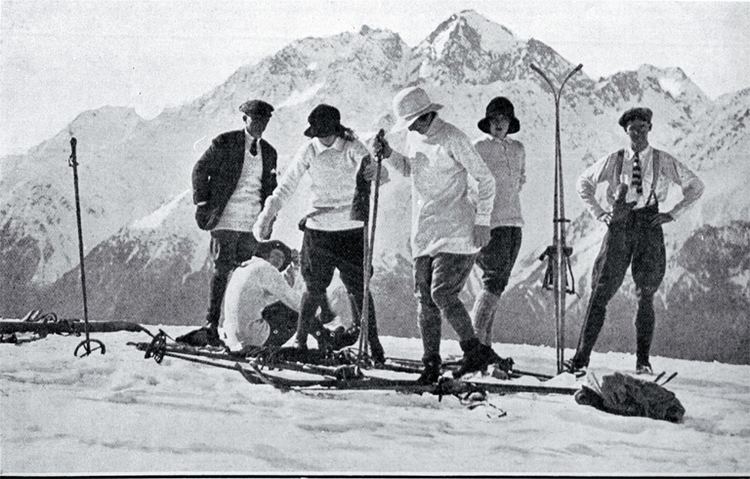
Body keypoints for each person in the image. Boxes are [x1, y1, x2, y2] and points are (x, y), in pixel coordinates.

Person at [566, 107, 705, 375]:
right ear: (626, 131)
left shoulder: (662, 160)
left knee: (646, 294)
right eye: (633, 128)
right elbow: (583, 183)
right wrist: (600, 214)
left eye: (643, 127)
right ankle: (580, 359)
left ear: (650, 128)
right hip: (619, 225)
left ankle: (643, 362)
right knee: (600, 291)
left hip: (649, 225)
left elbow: (695, 186)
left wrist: (673, 214)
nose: (638, 132)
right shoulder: (615, 160)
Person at [373, 86, 497, 383]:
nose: (411, 126)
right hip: (424, 231)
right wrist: (389, 154)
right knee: (424, 300)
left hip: (456, 230)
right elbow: (411, 169)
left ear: (426, 114)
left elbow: (485, 178)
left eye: (414, 120)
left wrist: (482, 221)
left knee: (441, 292)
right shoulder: (414, 136)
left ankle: (473, 350)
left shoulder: (453, 137)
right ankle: (431, 363)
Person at [254, 104, 387, 363]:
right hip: (319, 230)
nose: (323, 138)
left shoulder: (353, 147)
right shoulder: (310, 149)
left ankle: (373, 343)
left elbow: (379, 174)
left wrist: (373, 172)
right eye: (318, 133)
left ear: (337, 131)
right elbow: (287, 184)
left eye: (327, 133)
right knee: (313, 288)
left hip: (350, 228)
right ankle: (301, 340)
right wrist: (268, 213)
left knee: (359, 289)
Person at [191, 99, 278, 346]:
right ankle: (211, 324)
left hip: (251, 222)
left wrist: (268, 217)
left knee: (244, 275)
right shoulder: (225, 142)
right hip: (225, 218)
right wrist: (203, 202)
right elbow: (200, 169)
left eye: (265, 121)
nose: (260, 125)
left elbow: (271, 189)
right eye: (256, 120)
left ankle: (234, 326)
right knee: (221, 271)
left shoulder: (270, 152)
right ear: (245, 119)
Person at [470, 97, 526, 362]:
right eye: (495, 119)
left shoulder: (518, 149)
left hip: (515, 222)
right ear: (488, 123)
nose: (499, 124)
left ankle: (484, 346)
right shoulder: (478, 148)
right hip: (491, 223)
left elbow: (520, 179)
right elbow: (469, 184)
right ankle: (472, 348)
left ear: (510, 122)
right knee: (492, 282)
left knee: (498, 285)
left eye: (504, 119)